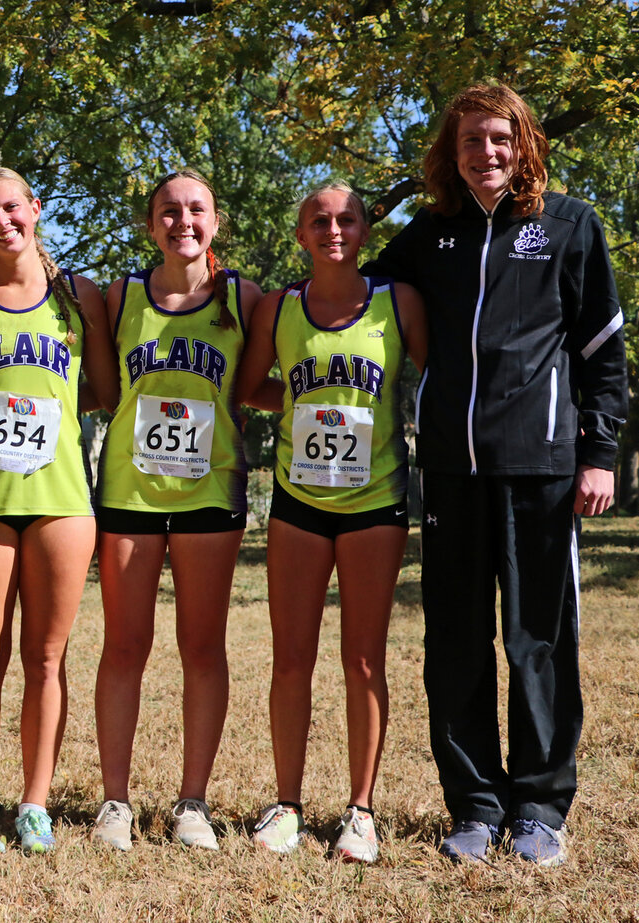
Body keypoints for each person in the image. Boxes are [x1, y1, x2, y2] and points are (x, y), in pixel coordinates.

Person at [361, 83, 627, 866]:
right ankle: (475, 806)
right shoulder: (428, 233)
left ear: (525, 143)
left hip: (542, 467)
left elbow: (602, 350)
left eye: (501, 139)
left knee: (538, 640)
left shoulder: (568, 224)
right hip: (449, 470)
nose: (488, 153)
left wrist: (600, 452)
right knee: (454, 642)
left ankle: (541, 808)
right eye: (473, 140)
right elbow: (351, 294)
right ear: (452, 150)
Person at [236, 182, 426, 864]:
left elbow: (431, 382)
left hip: (375, 502)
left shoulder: (396, 303)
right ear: (300, 234)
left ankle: (360, 811)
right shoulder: (280, 308)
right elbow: (250, 386)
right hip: (297, 504)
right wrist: (297, 404)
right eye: (318, 219)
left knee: (364, 658)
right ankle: (287, 805)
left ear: (367, 230)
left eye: (347, 219)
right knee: (291, 659)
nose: (333, 229)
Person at [0, 166, 119, 854]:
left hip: (62, 500)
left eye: (11, 208)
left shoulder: (80, 298)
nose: (1, 222)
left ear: (35, 208)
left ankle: (34, 802)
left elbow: (102, 387)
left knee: (48, 658)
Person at [90, 170, 267, 852]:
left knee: (201, 645)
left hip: (211, 493)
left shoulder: (245, 298)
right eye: (169, 210)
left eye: (195, 210)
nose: (182, 221)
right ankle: (114, 801)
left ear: (215, 222)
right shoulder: (121, 296)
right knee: (125, 645)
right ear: (149, 223)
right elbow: (101, 387)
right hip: (129, 495)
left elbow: (261, 382)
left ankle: (192, 801)